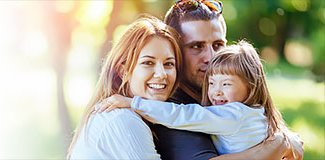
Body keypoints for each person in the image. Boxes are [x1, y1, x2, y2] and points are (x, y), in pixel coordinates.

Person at [98, 0, 304, 159]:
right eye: (196, 46)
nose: (211, 57)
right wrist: (279, 144)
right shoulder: (167, 105)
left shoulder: (224, 95)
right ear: (175, 50)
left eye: (217, 45)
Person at [67, 14, 183, 159]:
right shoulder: (123, 119)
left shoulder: (131, 114)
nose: (161, 74)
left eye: (169, 64)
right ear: (124, 71)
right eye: (148, 63)